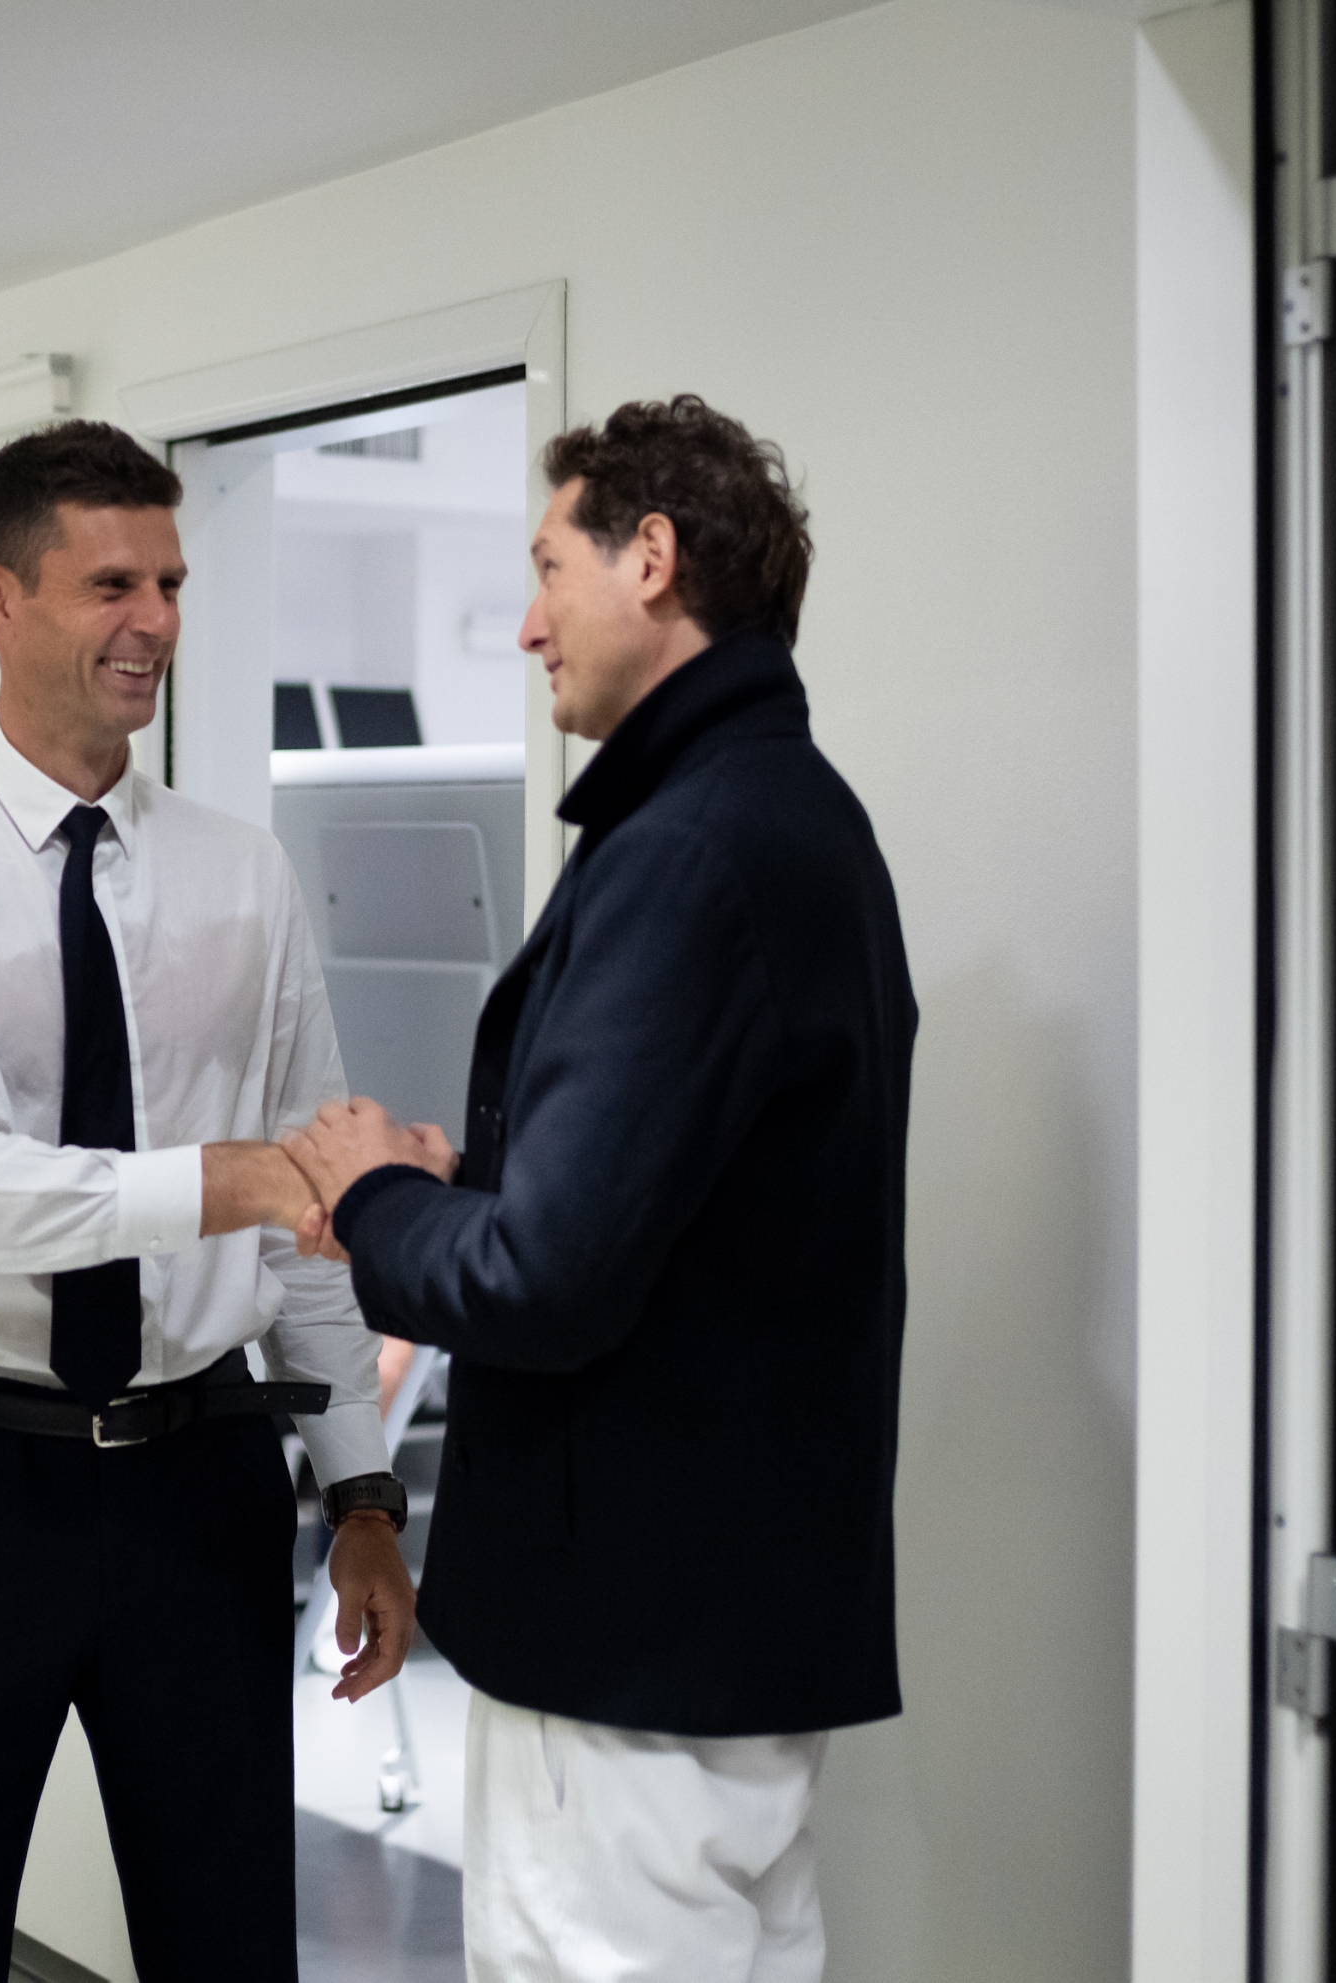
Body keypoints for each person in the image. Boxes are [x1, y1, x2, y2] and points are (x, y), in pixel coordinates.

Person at [283, 397, 917, 1982]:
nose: (522, 620)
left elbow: (545, 1280)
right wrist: (466, 1175)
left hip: (630, 1641)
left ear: (652, 558)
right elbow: (680, 1197)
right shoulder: (792, 818)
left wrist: (372, 1197)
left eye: (548, 564)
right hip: (732, 1624)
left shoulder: (688, 848)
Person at [0, 420, 415, 1980]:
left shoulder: (241, 872)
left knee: (227, 1943)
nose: (157, 621)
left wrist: (361, 1491)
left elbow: (308, 1210)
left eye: (174, 582)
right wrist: (239, 1178)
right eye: (111, 583)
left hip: (200, 1477)